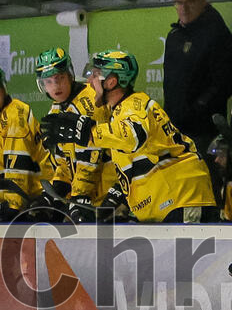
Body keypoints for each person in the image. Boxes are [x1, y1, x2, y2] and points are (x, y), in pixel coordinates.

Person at [40, 50, 219, 223]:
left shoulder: (134, 104)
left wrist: (88, 132)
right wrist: (113, 197)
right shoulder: (118, 113)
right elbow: (134, 162)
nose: (89, 81)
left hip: (182, 198)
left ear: (110, 82)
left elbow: (132, 136)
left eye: (95, 75)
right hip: (168, 203)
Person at [35, 47, 118, 221]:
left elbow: (91, 156)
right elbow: (64, 162)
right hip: (88, 195)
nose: (55, 86)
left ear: (70, 74)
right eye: (49, 81)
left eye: (60, 78)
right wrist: (55, 191)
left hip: (109, 193)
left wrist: (79, 195)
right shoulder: (56, 109)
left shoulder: (89, 99)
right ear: (42, 85)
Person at [162, 0, 232, 149]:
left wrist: (196, 110)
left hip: (204, 131)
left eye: (190, 2)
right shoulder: (175, 35)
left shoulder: (217, 33)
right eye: (179, 3)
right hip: (176, 129)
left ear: (203, 1)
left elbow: (224, 82)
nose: (184, 8)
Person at [0, 66, 51, 220]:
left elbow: (17, 170)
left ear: (3, 87)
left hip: (38, 199)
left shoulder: (16, 115)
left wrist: (12, 207)